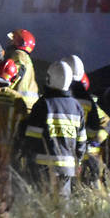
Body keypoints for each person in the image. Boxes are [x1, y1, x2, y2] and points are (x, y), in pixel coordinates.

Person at [18, 60, 87, 198]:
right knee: (62, 208)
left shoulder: (43, 104)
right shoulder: (76, 107)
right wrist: (77, 161)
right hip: (67, 168)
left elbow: (32, 137)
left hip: (43, 166)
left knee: (41, 206)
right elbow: (82, 141)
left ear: (50, 78)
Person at [60, 55, 110, 182]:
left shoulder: (58, 99)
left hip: (68, 156)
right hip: (88, 156)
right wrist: (96, 140)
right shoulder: (88, 101)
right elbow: (106, 123)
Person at [3, 29, 39, 109]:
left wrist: (3, 85)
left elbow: (16, 73)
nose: (10, 43)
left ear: (20, 43)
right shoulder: (26, 58)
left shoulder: (18, 54)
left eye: (13, 40)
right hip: (29, 104)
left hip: (20, 104)